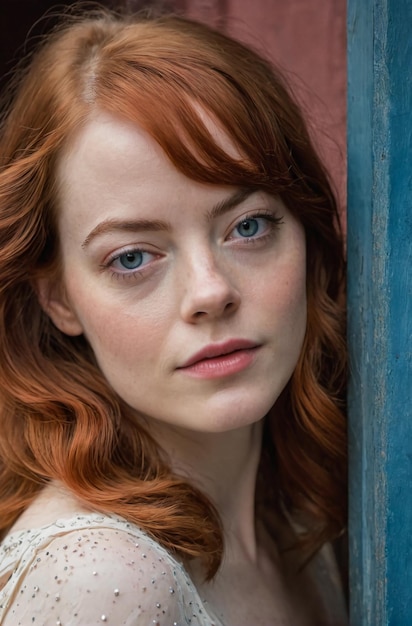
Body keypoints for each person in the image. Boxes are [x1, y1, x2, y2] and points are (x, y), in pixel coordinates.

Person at [0, 7, 347, 625]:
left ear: (306, 229)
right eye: (132, 257)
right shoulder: (101, 579)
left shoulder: (302, 520)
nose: (210, 292)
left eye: (247, 226)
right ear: (58, 298)